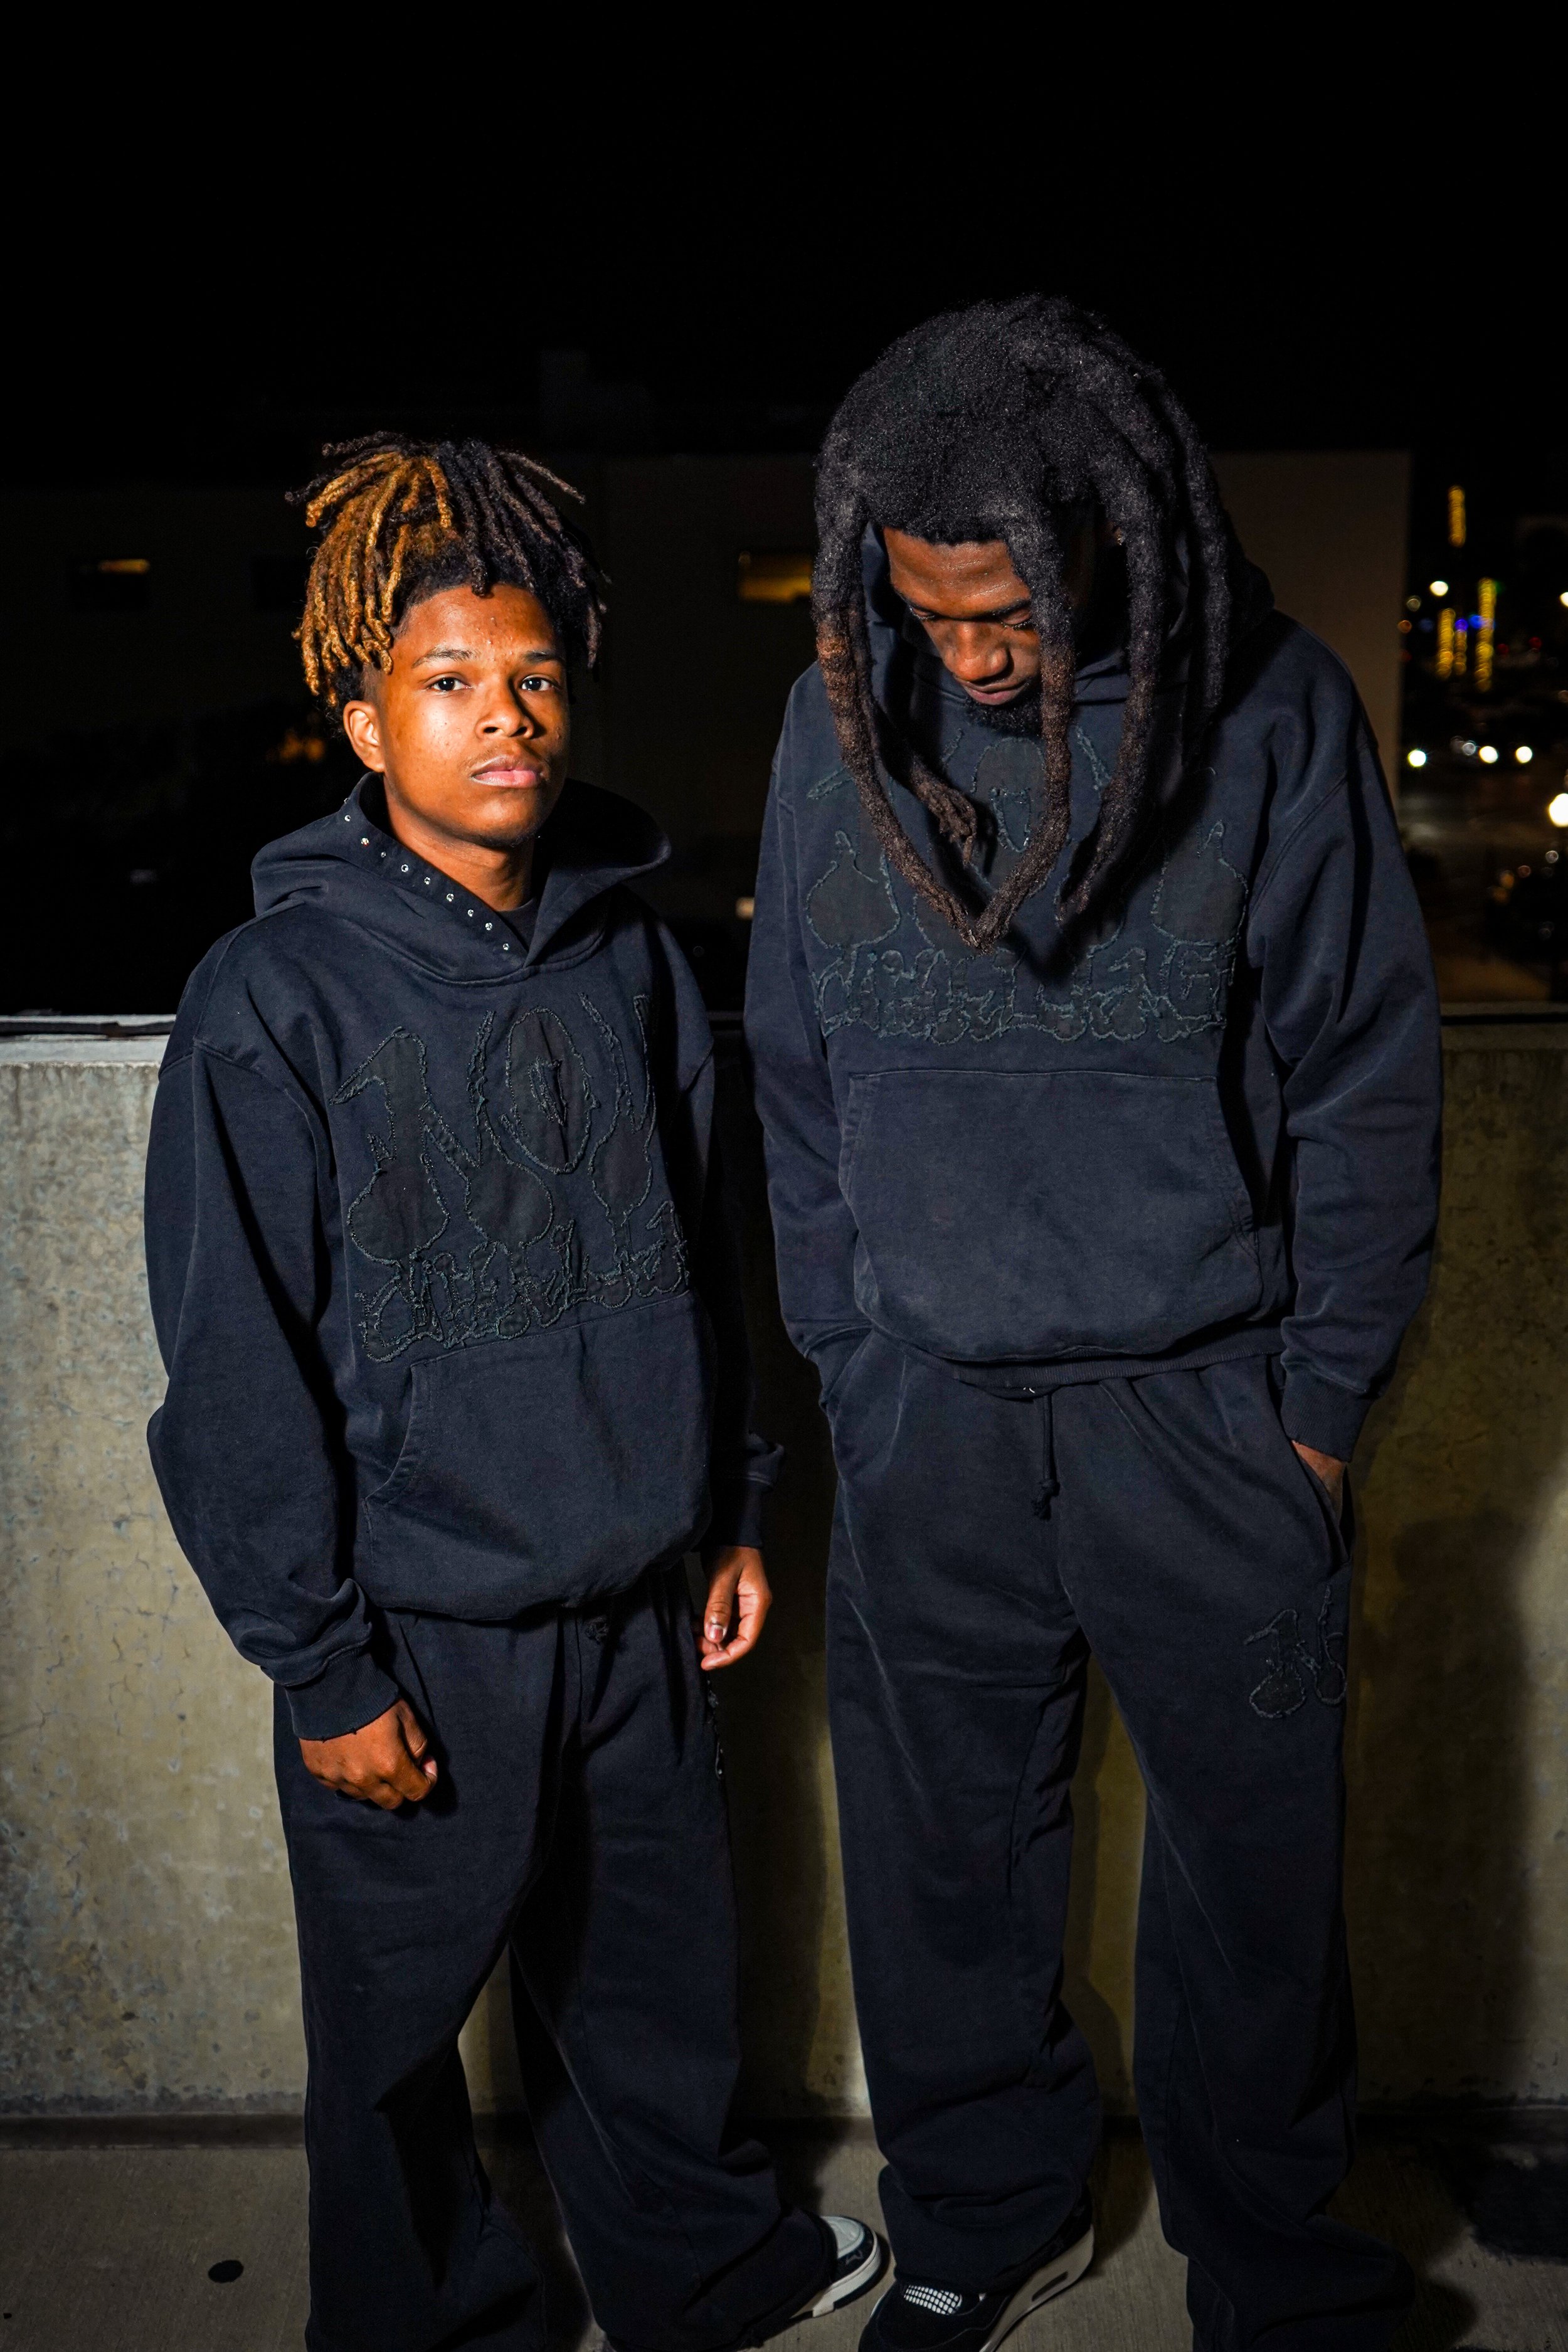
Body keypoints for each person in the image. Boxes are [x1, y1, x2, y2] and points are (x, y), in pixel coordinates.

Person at [744, 300, 1441, 2352]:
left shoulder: (1269, 715)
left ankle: (1272, 2269)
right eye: (925, 607)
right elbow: (791, 1068)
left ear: (1106, 536)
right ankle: (979, 2218)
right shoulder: (830, 723)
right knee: (942, 1867)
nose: (967, 655)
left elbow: (1366, 1080)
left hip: (1201, 1408)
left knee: (1252, 1883)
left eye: (1004, 610)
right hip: (929, 1416)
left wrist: (1312, 1411)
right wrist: (851, 1351)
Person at [144, 433, 881, 2352]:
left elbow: (707, 1251)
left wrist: (730, 1504)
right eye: (450, 681)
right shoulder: (271, 997)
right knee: (395, 2045)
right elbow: (233, 1360)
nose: (505, 718)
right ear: (363, 723)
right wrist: (321, 1665)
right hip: (418, 1624)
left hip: (634, 1600)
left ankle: (697, 2273)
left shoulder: (634, 961)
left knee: (651, 1995)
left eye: (536, 677)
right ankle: (426, 2327)